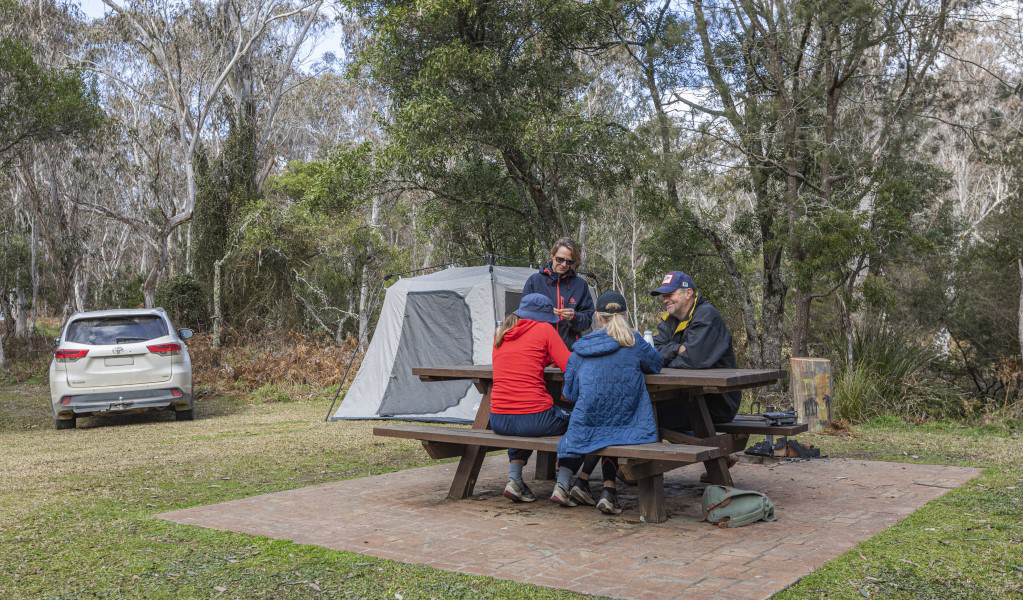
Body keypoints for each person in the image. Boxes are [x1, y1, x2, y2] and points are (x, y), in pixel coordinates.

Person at [556, 290, 663, 514]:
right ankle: (607, 491)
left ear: (597, 316)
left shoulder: (580, 349)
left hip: (587, 420)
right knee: (614, 423)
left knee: (605, 425)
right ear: (625, 314)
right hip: (629, 420)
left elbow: (570, 393)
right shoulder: (635, 342)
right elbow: (656, 364)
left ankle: (590, 485)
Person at [490, 293, 579, 506]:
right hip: (535, 418)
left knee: (522, 417)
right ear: (543, 317)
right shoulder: (544, 329)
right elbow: (571, 366)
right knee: (579, 420)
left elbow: (526, 356)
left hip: (498, 419)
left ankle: (515, 479)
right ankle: (564, 485)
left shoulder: (501, 333)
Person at [650, 271, 742, 432]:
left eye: (670, 294)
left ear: (688, 293)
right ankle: (708, 449)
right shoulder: (669, 320)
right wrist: (677, 349)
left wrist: (669, 356)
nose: (665, 299)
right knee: (646, 410)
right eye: (663, 296)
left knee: (649, 414)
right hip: (686, 397)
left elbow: (692, 361)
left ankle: (710, 449)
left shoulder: (707, 315)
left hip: (716, 401)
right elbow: (652, 354)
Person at [522, 237, 595, 350]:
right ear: (552, 255)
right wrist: (546, 313)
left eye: (569, 261)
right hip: (539, 350)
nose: (564, 264)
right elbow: (523, 317)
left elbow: (587, 321)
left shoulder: (580, 285)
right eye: (560, 259)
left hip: (569, 351)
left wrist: (574, 316)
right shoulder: (535, 281)